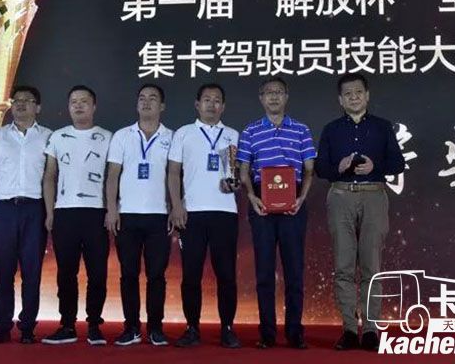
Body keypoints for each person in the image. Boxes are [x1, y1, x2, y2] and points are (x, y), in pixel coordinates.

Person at [315, 73, 405, 351]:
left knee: (371, 266)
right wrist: (338, 168)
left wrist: (376, 167)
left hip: (373, 195)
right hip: (340, 195)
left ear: (367, 95)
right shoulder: (331, 129)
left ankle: (371, 330)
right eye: (348, 94)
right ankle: (349, 329)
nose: (353, 97)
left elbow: (398, 164)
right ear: (340, 100)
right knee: (343, 266)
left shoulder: (382, 127)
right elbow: (320, 168)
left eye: (358, 92)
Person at [237, 77, 316, 350]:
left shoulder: (302, 130)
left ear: (286, 97)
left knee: (294, 271)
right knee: (264, 271)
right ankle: (267, 333)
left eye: (279, 92)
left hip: (294, 202)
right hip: (261, 202)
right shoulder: (250, 131)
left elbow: (309, 169)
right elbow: (244, 170)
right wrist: (251, 197)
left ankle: (295, 333)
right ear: (261, 98)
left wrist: (302, 197)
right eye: (268, 93)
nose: (274, 97)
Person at [167, 83, 241, 348]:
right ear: (197, 104)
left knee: (227, 275)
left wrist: (235, 184)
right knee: (191, 275)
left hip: (225, 212)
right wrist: (177, 206)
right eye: (207, 99)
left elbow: (239, 174)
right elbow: (173, 172)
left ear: (224, 106)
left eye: (217, 100)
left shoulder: (233, 135)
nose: (212, 104)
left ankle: (228, 329)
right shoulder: (183, 133)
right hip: (192, 214)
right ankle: (192, 328)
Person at [0, 85, 51, 344]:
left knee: (32, 272)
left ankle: (28, 328)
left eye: (27, 100)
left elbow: (53, 177)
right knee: (4, 271)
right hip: (3, 209)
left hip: (35, 209)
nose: (20, 104)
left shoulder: (48, 137)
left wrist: (50, 212)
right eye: (16, 100)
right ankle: (1, 327)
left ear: (37, 107)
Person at [41, 85, 112, 346]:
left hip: (97, 213)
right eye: (74, 102)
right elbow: (49, 176)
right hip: (65, 212)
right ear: (69, 107)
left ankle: (94, 325)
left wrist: (111, 209)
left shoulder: (108, 137)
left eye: (84, 101)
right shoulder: (58, 137)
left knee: (97, 273)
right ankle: (67, 325)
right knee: (66, 273)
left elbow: (113, 178)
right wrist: (50, 211)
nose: (79, 106)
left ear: (94, 106)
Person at [105, 84, 173, 346]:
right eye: (142, 98)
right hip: (127, 215)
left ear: (162, 106)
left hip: (159, 216)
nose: (146, 102)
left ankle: (156, 328)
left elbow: (177, 177)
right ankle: (131, 327)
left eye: (153, 98)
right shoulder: (122, 136)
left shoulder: (172, 137)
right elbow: (113, 176)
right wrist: (112, 209)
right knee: (128, 274)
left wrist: (176, 208)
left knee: (157, 275)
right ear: (136, 104)